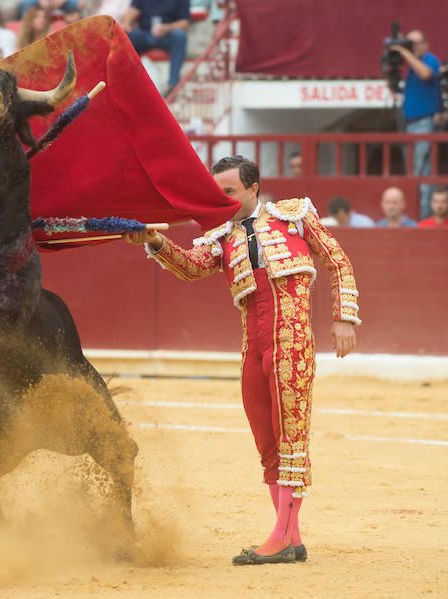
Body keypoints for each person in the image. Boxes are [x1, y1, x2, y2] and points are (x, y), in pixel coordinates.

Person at [124, 156, 359, 565]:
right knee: (267, 443)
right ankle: (292, 538)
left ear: (253, 188)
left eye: (229, 191)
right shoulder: (222, 235)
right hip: (253, 348)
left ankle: (282, 537)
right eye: (219, 193)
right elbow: (192, 269)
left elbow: (337, 261)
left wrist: (343, 317)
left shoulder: (294, 216)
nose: (223, 198)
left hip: (291, 343)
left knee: (290, 438)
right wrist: (155, 242)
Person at [389, 29, 440, 218]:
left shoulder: (430, 59)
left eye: (415, 43)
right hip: (411, 122)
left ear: (425, 44)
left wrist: (405, 53)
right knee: (413, 171)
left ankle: (424, 215)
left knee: (421, 171)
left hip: (424, 121)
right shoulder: (412, 64)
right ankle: (417, 212)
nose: (411, 47)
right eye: (409, 44)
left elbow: (426, 74)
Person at [122, 0, 190, 97]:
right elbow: (132, 10)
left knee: (180, 35)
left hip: (168, 34)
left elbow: (185, 23)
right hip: (145, 33)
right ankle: (127, 85)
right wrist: (126, 23)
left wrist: (166, 28)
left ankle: (173, 85)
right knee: (126, 38)